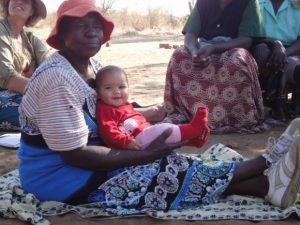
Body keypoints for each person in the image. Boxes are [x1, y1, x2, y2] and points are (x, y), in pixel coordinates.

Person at [18, 0, 300, 213]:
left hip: (88, 161)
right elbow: (75, 155)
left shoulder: (94, 67)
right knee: (159, 169)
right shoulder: (57, 78)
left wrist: (148, 120)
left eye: (97, 26)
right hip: (59, 179)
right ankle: (264, 163)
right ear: (62, 33)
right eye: (82, 25)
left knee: (169, 164)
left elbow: (111, 113)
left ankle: (263, 185)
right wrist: (143, 156)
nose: (93, 32)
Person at [163, 0, 266, 134]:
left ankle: (234, 120)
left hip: (233, 48)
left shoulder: (249, 2)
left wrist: (215, 48)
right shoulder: (203, 2)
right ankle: (189, 114)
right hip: (205, 47)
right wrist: (194, 51)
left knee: (236, 61)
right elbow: (190, 34)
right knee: (179, 56)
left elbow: (246, 40)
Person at [96, 65, 210, 150]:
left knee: (163, 135)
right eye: (108, 88)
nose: (116, 92)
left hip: (143, 133)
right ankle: (194, 129)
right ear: (98, 92)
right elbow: (108, 130)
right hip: (134, 141)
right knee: (163, 130)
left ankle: (192, 140)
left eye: (121, 87)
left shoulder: (124, 104)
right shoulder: (105, 108)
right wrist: (125, 142)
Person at [0, 0, 49, 131]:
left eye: (26, 1)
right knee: (52, 115)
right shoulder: (1, 30)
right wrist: (49, 93)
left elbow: (53, 65)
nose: (18, 2)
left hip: (24, 96)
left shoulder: (30, 39)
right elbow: (7, 77)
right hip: (3, 99)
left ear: (32, 10)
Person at [251, 0, 300, 121]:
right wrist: (276, 46)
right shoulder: (256, 4)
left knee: (293, 67)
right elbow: (251, 36)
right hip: (264, 46)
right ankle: (263, 101)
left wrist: (284, 53)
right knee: (262, 53)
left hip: (292, 50)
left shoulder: (297, 4)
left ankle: (286, 104)